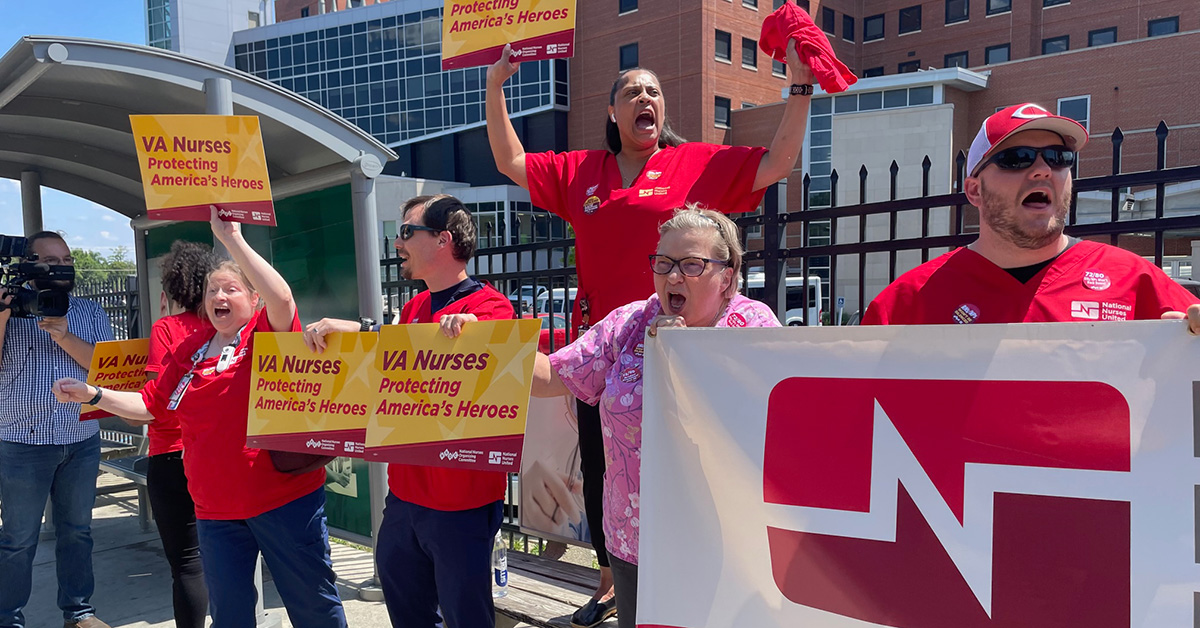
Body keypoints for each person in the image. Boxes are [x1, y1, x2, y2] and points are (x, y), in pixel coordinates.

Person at [486, 43, 814, 626]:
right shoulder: (583, 172)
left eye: (655, 91)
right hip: (613, 353)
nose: (646, 98)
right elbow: (512, 162)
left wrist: (799, 88)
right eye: (633, 91)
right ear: (612, 111)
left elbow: (777, 164)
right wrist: (495, 85)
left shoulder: (697, 171)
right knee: (607, 475)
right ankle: (613, 585)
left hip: (694, 358)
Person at [52, 208, 347, 628]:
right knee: (228, 615)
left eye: (230, 290)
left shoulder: (266, 332)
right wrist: (94, 393)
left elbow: (282, 299)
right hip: (214, 510)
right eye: (211, 291)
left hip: (284, 502)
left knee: (313, 608)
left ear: (252, 299)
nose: (218, 298)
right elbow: (150, 407)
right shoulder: (189, 349)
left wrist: (232, 240)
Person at [518, 208, 779, 628]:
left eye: (692, 264)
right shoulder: (631, 322)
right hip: (631, 536)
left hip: (716, 541)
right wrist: (484, 341)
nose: (673, 277)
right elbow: (552, 375)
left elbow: (758, 423)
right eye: (663, 263)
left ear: (727, 277)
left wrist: (678, 350)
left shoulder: (751, 325)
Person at [304, 195, 511, 628]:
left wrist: (476, 336)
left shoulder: (491, 308)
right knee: (407, 609)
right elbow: (391, 349)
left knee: (465, 616)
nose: (397, 243)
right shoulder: (416, 308)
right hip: (405, 496)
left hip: (461, 501)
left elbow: (492, 370)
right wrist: (351, 332)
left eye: (405, 232)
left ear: (443, 240)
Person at [863, 103, 1200, 327]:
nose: (1043, 170)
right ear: (974, 191)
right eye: (1017, 158)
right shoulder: (906, 304)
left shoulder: (1136, 281)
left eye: (1058, 157)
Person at [0, 231, 114, 628]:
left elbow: (105, 368)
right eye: (52, 259)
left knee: (77, 532)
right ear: (29, 264)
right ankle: (8, 618)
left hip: (80, 439)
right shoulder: (10, 308)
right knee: (17, 540)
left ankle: (79, 612)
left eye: (67, 258)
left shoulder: (89, 311)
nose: (63, 265)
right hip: (22, 442)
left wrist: (64, 335)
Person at [142, 241, 218, 628]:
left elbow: (156, 398)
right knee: (222, 556)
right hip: (216, 454)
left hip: (171, 454)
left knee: (187, 564)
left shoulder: (167, 329)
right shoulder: (225, 328)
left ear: (171, 288)